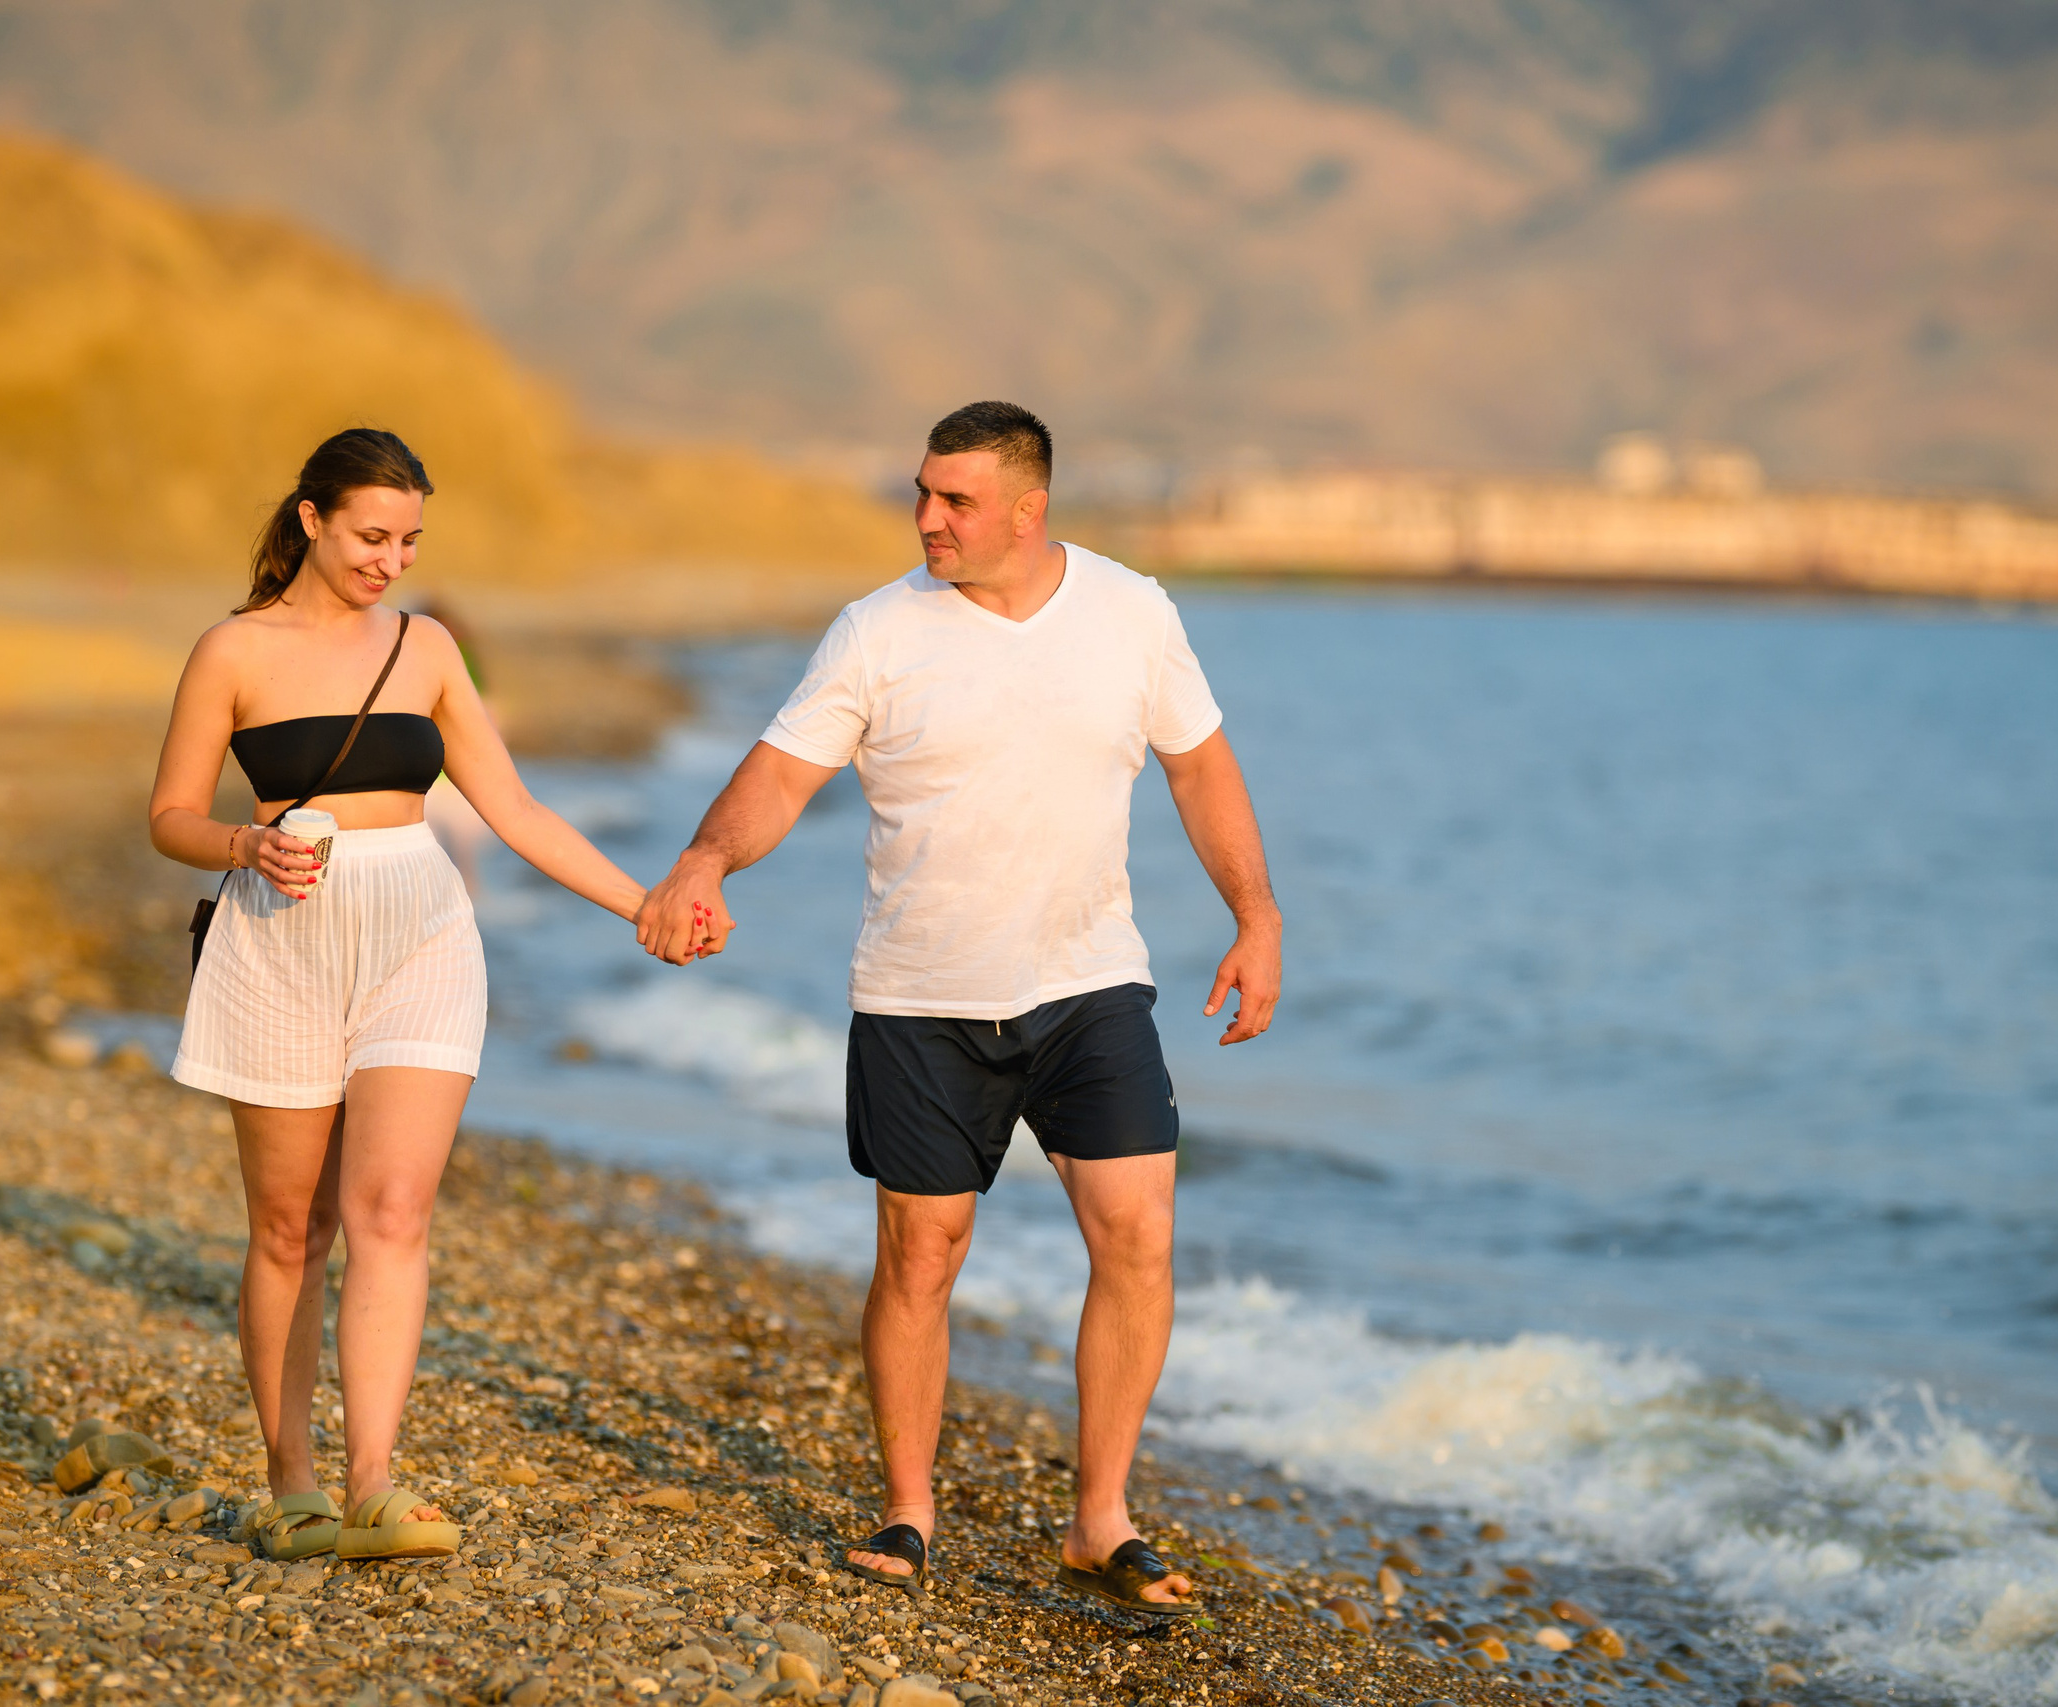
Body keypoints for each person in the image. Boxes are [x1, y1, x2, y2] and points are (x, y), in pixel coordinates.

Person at [633, 401, 1282, 1614]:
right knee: (920, 1254)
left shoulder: (1132, 611)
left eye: (956, 501)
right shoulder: (877, 630)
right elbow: (781, 773)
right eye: (922, 494)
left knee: (1136, 1235)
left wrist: (1256, 916)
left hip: (1088, 985)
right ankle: (908, 1507)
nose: (927, 518)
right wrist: (705, 862)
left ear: (1029, 511)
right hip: (919, 998)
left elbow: (1199, 764)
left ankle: (1101, 1518)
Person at [149, 428, 653, 1563]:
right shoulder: (232, 650)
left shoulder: (427, 647)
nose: (393, 560)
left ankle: (374, 1480)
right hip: (280, 938)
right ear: (313, 519)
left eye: (411, 540)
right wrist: (243, 842)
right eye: (373, 535)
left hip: (421, 933)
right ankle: (292, 1481)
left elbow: (515, 810)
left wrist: (644, 905)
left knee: (390, 1213)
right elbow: (169, 814)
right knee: (293, 1228)